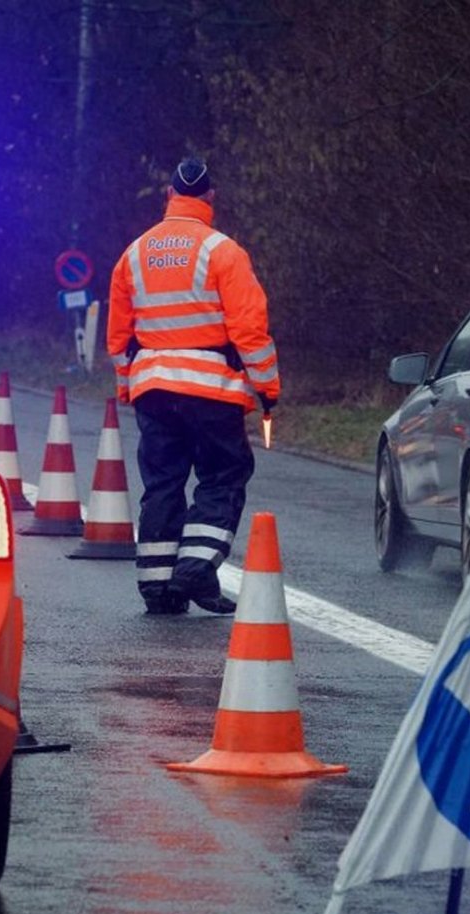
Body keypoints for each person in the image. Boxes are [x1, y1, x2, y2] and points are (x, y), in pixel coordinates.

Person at [106, 157, 280, 615]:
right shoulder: (223, 251)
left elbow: (118, 339)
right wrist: (267, 389)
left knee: (162, 482)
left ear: (168, 196)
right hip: (210, 391)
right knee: (223, 475)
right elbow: (250, 332)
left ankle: (158, 589)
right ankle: (196, 568)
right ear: (211, 198)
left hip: (153, 392)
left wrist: (129, 387)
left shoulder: (134, 253)